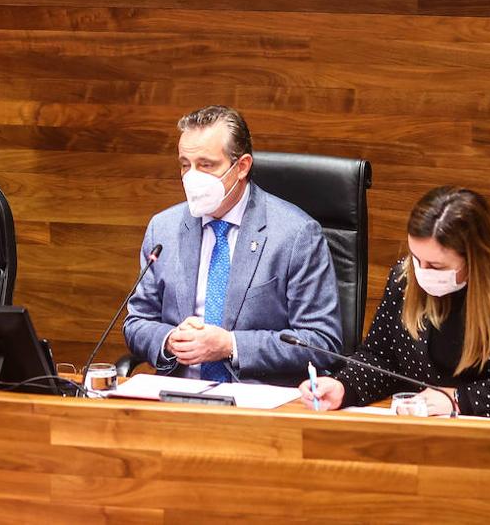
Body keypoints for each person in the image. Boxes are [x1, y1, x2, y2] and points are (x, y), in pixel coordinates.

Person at [300, 186, 490, 416]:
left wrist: (460, 400)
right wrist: (344, 387)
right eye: (416, 258)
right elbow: (381, 357)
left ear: (477, 258)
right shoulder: (407, 276)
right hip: (444, 433)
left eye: (435, 266)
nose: (420, 272)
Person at [123, 106, 342, 383]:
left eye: (206, 165)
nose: (192, 177)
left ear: (242, 167)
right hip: (178, 398)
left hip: (257, 402)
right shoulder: (163, 228)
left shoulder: (296, 234)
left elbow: (321, 341)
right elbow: (137, 323)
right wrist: (169, 340)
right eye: (184, 165)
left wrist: (230, 345)